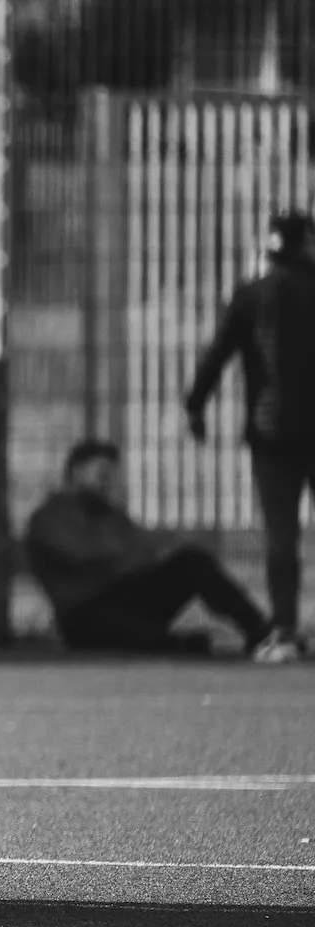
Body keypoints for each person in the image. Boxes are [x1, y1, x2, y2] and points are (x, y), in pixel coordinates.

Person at [186, 210, 315, 659]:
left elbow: (217, 354)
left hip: (271, 431)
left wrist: (196, 405)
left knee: (281, 535)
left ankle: (283, 627)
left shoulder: (252, 295)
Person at [25, 441, 285, 660]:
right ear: (76, 472)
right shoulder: (52, 515)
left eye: (112, 475)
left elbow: (145, 548)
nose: (108, 482)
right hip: (86, 613)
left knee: (191, 562)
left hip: (124, 599)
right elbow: (86, 553)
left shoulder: (110, 515)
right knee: (169, 643)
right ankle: (173, 644)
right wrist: (131, 554)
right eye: (101, 473)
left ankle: (261, 632)